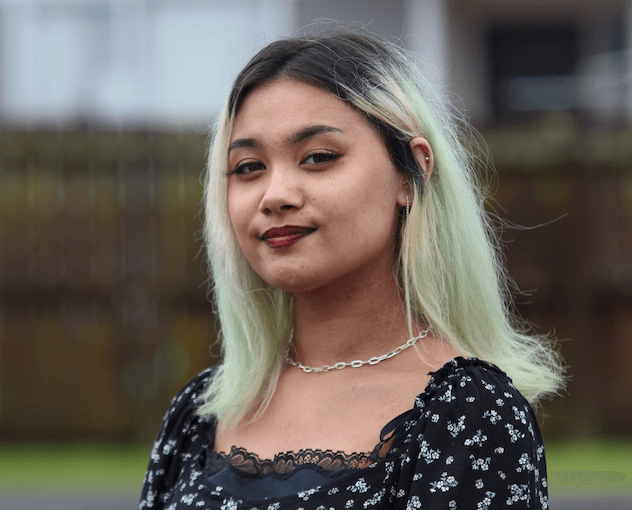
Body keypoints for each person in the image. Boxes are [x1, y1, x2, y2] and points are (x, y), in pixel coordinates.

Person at [138, 28, 564, 510]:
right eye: (249, 167)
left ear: (412, 173)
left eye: (318, 157)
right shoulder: (200, 412)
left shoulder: (471, 413)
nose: (275, 194)